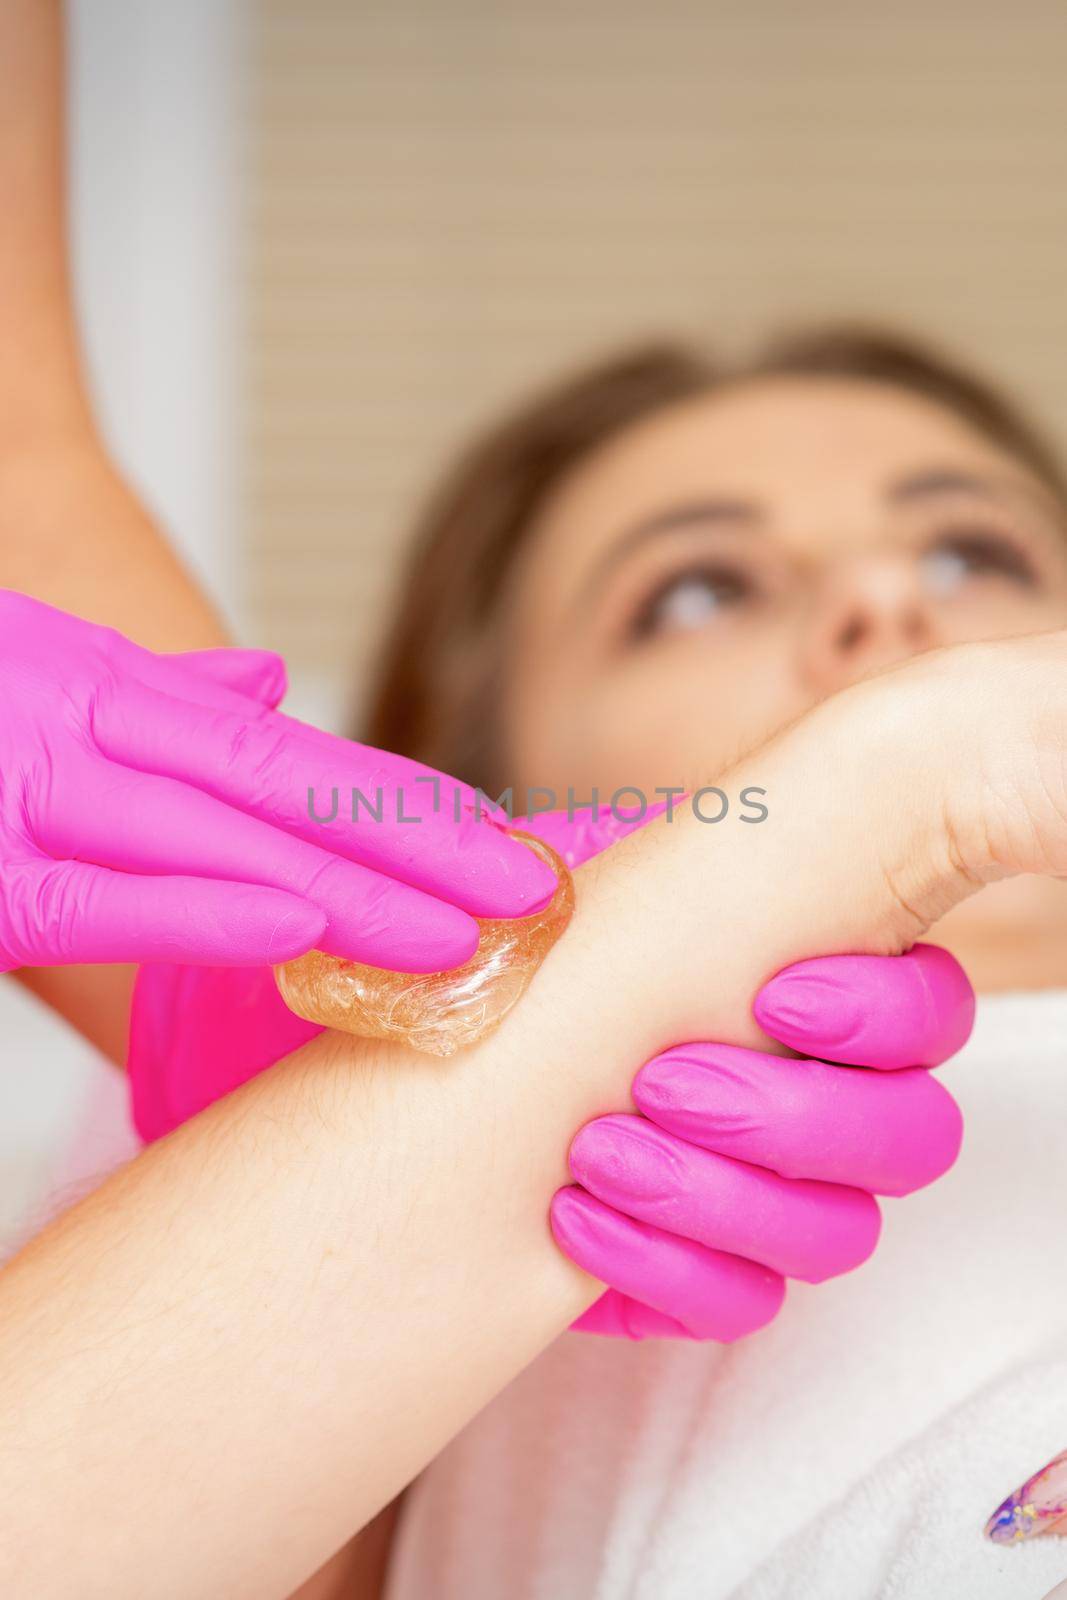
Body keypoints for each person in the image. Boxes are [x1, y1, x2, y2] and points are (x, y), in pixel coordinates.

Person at [111, 327, 1067, 1599]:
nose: (886, 602)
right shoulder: (431, 1257)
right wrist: (341, 1126)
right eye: (696, 590)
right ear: (463, 790)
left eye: (971, 551)